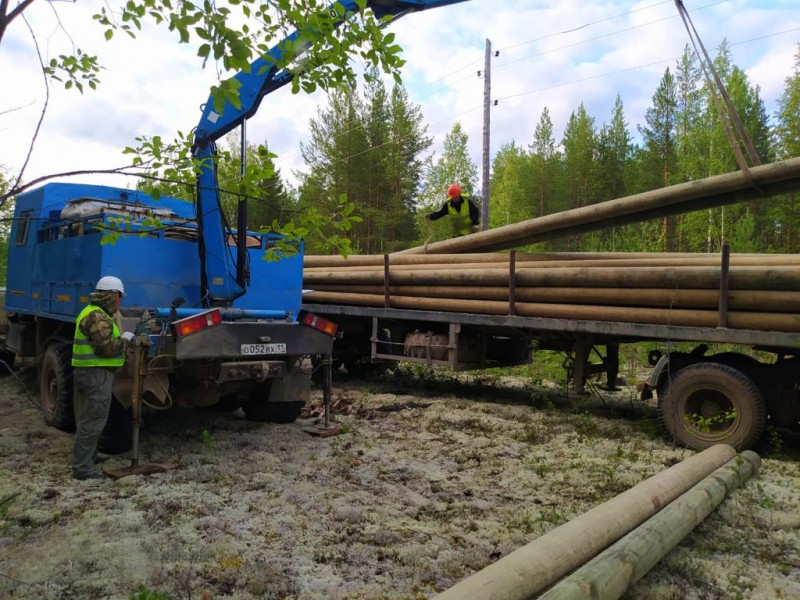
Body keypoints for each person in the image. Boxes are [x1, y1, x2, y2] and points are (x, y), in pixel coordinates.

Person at [71, 275, 135, 480]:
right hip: (95, 375)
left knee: (91, 417)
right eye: (119, 297)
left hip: (93, 374)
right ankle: (82, 469)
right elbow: (106, 348)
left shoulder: (98, 314)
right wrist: (125, 340)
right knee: (93, 420)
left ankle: (90, 455)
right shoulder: (97, 317)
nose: (121, 301)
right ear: (110, 296)